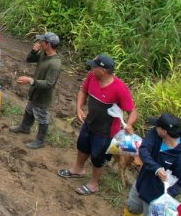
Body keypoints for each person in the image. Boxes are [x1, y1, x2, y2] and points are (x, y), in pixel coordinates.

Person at [58, 54, 137, 197]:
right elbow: (83, 91)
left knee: (98, 157)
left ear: (104, 70)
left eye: (94, 66)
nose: (91, 69)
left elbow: (132, 111)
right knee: (82, 146)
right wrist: (79, 108)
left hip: (106, 131)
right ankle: (78, 169)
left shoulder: (119, 88)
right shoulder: (92, 76)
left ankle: (93, 184)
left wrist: (129, 124)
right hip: (90, 122)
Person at [126, 113, 181, 215]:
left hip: (155, 198)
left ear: (164, 132)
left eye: (158, 126)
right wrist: (156, 168)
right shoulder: (155, 134)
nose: (155, 127)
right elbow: (143, 150)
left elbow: (178, 182)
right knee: (132, 208)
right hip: (141, 183)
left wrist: (164, 199)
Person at [11, 32, 62, 150]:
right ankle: (25, 127)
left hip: (43, 95)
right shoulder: (44, 54)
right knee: (29, 108)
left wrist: (30, 80)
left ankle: (40, 140)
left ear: (48, 44)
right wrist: (34, 51)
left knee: (42, 116)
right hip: (35, 90)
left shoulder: (55, 64)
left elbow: (49, 83)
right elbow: (29, 59)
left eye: (42, 41)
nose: (40, 43)